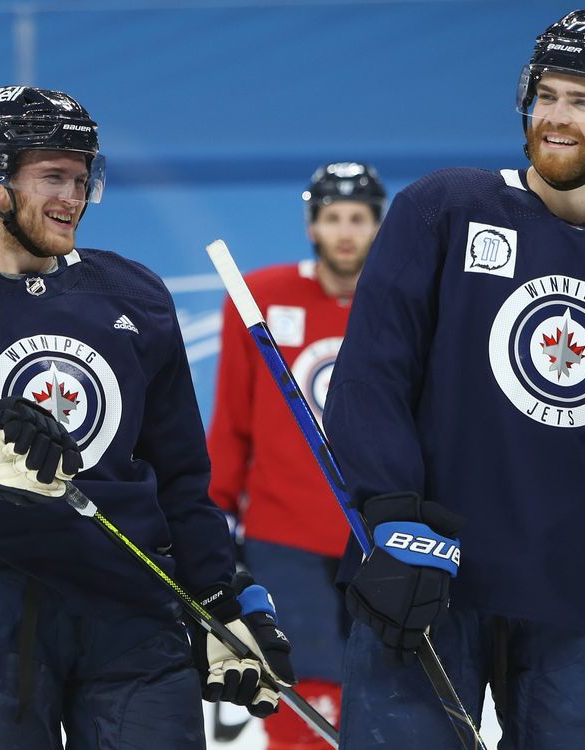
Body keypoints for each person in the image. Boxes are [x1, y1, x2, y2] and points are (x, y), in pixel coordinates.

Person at [0, 85, 294, 750]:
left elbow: (182, 481)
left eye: (82, 178)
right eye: (53, 176)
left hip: (134, 609)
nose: (73, 198)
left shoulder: (133, 293)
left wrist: (225, 602)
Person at [322, 11, 585, 750]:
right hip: (427, 582)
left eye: (581, 101)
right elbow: (368, 381)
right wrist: (389, 517)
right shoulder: (443, 210)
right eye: (545, 94)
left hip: (583, 600)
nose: (554, 117)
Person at [207, 162, 385, 749]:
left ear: (378, 226)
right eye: (332, 217)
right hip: (282, 536)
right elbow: (233, 420)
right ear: (312, 226)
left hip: (376, 536)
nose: (345, 232)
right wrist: (216, 517)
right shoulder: (260, 297)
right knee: (299, 690)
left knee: (380, 690)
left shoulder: (401, 309)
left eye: (357, 218)